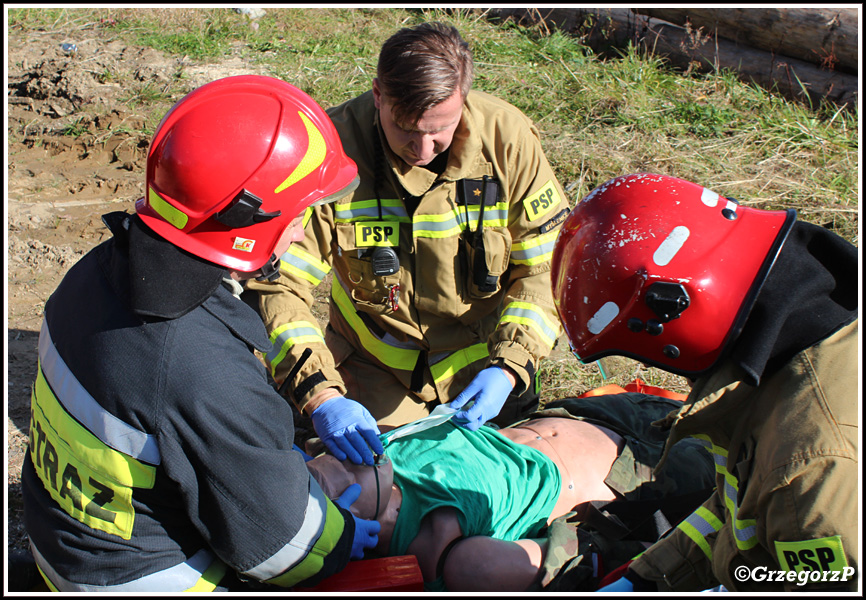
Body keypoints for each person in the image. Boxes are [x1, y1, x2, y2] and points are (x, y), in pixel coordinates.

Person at [20, 75, 381, 592]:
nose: (301, 231)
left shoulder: (92, 275)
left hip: (65, 548)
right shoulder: (201, 367)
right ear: (246, 224)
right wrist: (338, 536)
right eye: (297, 215)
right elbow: (284, 550)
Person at [246, 22, 570, 466]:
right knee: (373, 486)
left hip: (484, 372)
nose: (422, 147)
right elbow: (276, 285)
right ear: (378, 94)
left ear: (464, 97)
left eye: (440, 130)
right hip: (373, 373)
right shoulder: (331, 153)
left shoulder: (507, 141)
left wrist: (510, 365)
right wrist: (320, 394)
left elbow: (545, 268)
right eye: (405, 129)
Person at [551, 173, 859, 592]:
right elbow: (737, 509)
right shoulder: (803, 333)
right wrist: (645, 580)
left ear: (676, 319)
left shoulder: (809, 470)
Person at [304, 391, 717, 592]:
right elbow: (577, 559)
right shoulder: (454, 553)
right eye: (335, 483)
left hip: (587, 412)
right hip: (643, 476)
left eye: (317, 465)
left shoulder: (367, 447)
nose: (338, 460)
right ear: (357, 526)